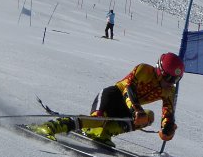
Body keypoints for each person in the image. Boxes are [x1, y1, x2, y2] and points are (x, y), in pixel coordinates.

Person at [33, 52, 184, 145]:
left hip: (128, 108)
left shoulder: (169, 90)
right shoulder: (144, 69)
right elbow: (127, 90)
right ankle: (53, 126)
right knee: (98, 119)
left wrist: (168, 127)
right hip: (113, 96)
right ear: (159, 69)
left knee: (149, 116)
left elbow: (168, 112)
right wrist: (136, 110)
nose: (169, 83)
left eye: (175, 80)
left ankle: (104, 133)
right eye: (168, 77)